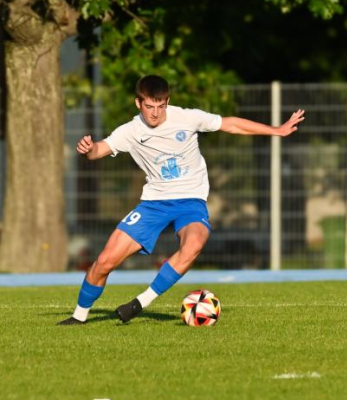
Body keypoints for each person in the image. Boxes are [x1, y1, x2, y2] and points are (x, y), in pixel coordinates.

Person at [58, 75, 305, 325]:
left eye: (161, 105)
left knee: (194, 243)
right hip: (154, 204)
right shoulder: (130, 131)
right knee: (104, 261)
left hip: (190, 202)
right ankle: (79, 317)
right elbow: (99, 150)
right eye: (149, 106)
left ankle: (140, 302)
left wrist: (276, 130)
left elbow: (229, 124)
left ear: (168, 101)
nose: (155, 113)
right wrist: (88, 149)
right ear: (138, 103)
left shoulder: (186, 118)